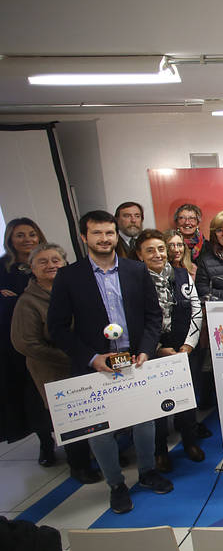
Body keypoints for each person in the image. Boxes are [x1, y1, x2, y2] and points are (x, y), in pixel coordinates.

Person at [48, 210, 170, 514]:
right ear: (84, 237)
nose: (104, 239)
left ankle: (147, 473)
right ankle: (116, 484)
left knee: (145, 422)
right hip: (96, 366)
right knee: (101, 431)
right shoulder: (69, 276)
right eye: (97, 233)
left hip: (135, 360)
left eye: (109, 233)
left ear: (117, 235)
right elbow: (58, 328)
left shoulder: (135, 270)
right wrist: (92, 358)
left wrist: (145, 349)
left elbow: (154, 316)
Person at [10, 243, 102, 482]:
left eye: (55, 260)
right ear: (32, 267)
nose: (50, 265)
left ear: (64, 263)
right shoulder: (28, 302)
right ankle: (79, 465)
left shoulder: (76, 290)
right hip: (54, 369)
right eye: (43, 261)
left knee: (95, 413)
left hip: (87, 363)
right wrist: (73, 356)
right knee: (71, 420)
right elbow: (26, 343)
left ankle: (101, 455)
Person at [134, 229, 205, 471]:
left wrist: (188, 345)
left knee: (187, 398)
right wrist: (157, 349)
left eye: (161, 249)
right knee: (157, 405)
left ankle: (190, 442)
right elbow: (134, 322)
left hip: (184, 349)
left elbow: (196, 309)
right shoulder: (134, 281)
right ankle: (160, 451)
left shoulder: (182, 275)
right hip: (153, 353)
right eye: (150, 250)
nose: (157, 254)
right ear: (139, 255)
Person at [1, 218, 45, 450]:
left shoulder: (48, 260)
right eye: (20, 235)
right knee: (30, 394)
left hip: (50, 338)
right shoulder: (2, 266)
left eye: (31, 233)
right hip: (18, 342)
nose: (27, 239)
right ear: (10, 239)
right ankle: (45, 443)